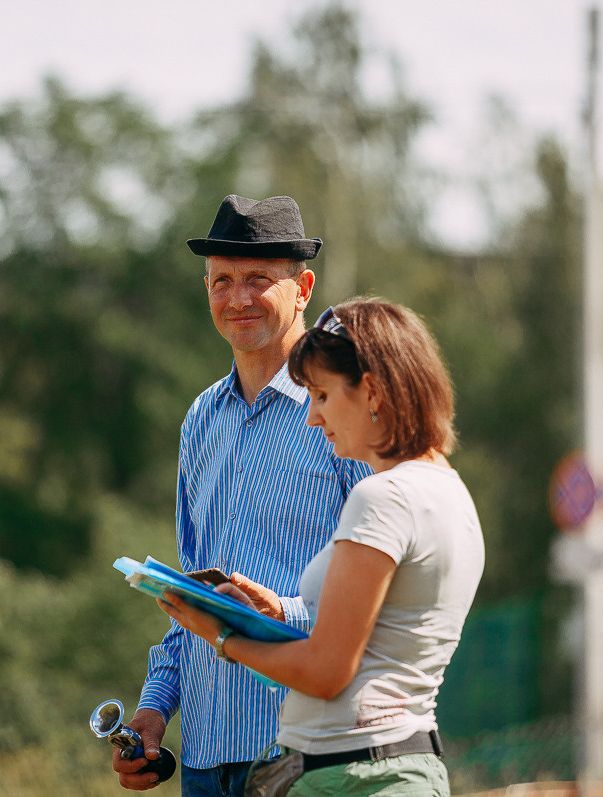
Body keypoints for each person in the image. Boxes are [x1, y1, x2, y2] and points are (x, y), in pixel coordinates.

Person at [157, 298, 485, 797]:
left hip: (356, 774)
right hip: (395, 764)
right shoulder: (449, 491)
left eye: (324, 396)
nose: (312, 417)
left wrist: (223, 638)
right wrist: (278, 615)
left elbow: (328, 671)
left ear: (371, 391)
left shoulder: (383, 496)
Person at [114, 195, 371, 797]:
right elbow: (193, 592)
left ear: (304, 288)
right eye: (221, 280)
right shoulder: (200, 420)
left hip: (303, 750)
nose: (237, 298)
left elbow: (376, 601)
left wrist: (278, 612)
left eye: (258, 279)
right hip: (205, 758)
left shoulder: (346, 412)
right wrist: (155, 708)